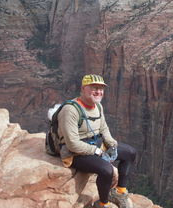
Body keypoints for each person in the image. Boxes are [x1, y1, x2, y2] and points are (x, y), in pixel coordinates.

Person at [57, 74, 136, 208]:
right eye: (94, 88)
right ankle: (102, 203)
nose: (98, 92)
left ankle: (119, 192)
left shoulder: (98, 106)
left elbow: (103, 127)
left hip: (93, 142)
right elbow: (72, 144)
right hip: (73, 153)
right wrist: (97, 151)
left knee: (130, 153)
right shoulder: (70, 110)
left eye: (101, 88)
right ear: (83, 89)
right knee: (106, 170)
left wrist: (111, 143)